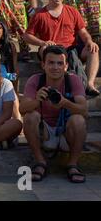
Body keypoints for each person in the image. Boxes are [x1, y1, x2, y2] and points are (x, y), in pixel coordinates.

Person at [20, 45, 87, 183]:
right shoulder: (36, 80)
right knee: (30, 116)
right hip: (44, 132)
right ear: (43, 65)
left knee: (78, 120)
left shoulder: (73, 80)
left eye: (59, 63)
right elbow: (22, 108)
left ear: (66, 66)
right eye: (51, 62)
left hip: (66, 132)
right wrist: (37, 100)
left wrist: (65, 103)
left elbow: (84, 110)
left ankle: (73, 164)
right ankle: (40, 162)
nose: (55, 67)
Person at [22, 0, 100, 96]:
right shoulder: (39, 15)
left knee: (93, 49)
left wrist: (89, 41)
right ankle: (53, 84)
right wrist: (42, 42)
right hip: (50, 48)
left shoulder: (72, 11)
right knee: (44, 49)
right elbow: (27, 36)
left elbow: (83, 32)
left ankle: (89, 84)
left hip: (71, 48)